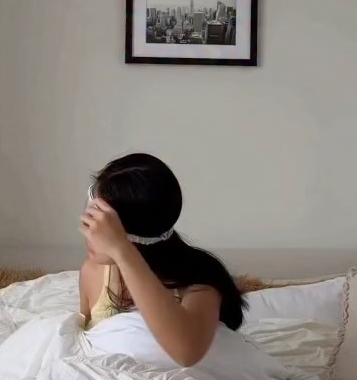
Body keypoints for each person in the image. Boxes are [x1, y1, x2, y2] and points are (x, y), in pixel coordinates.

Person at [80, 152, 246, 367]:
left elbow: (186, 353)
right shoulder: (93, 272)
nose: (88, 229)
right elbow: (84, 347)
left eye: (99, 222)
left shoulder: (201, 284)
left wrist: (122, 252)